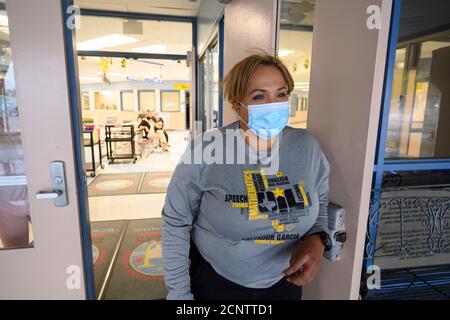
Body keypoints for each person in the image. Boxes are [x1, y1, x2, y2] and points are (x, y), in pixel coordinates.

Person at [162, 52, 331, 300]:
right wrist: (179, 294)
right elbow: (176, 222)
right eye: (259, 96)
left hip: (285, 284)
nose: (273, 104)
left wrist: (318, 238)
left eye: (281, 94)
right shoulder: (208, 149)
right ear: (236, 103)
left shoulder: (307, 147)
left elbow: (322, 199)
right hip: (217, 285)